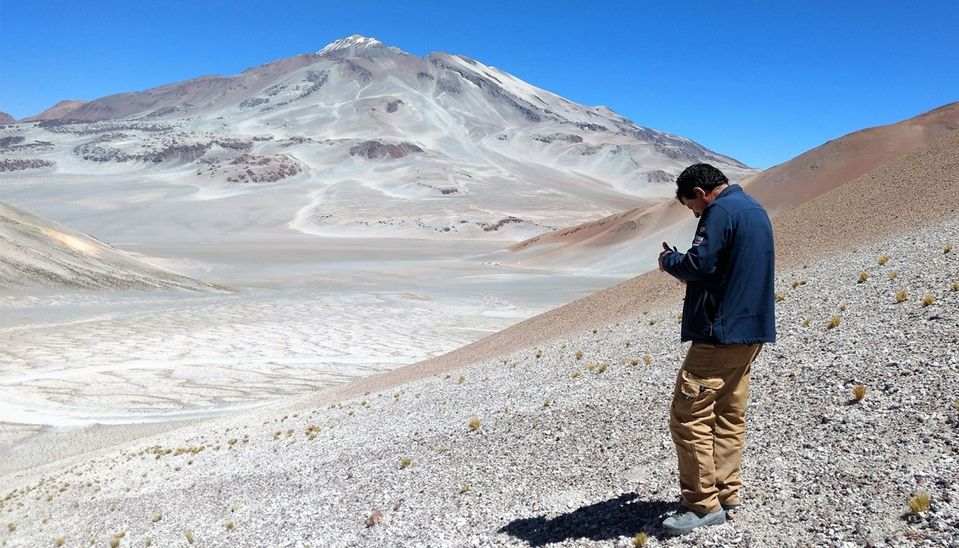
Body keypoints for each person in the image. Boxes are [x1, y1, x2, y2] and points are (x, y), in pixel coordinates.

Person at [656, 163, 776, 535]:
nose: (694, 212)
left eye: (690, 205)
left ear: (699, 191)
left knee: (689, 416)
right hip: (749, 331)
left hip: (718, 334)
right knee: (726, 414)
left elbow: (699, 262)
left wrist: (669, 261)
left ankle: (700, 505)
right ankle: (725, 492)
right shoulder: (754, 208)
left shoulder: (719, 211)